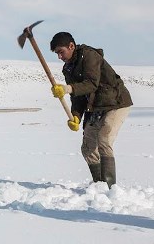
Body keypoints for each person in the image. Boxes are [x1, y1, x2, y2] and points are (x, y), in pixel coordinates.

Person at [50, 32, 132, 188]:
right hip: (95, 106)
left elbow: (91, 84)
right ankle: (99, 185)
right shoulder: (68, 68)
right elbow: (78, 97)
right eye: (57, 53)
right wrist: (76, 116)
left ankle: (110, 189)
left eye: (61, 51)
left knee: (104, 139)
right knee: (88, 147)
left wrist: (67, 88)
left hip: (116, 102)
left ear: (71, 46)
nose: (59, 56)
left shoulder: (89, 56)